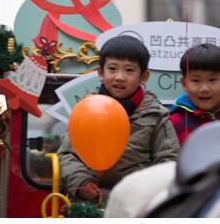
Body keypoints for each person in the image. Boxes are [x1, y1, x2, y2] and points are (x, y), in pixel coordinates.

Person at [58, 35, 179, 202]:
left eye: (129, 70)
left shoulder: (156, 114)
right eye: (112, 69)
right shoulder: (86, 110)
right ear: (101, 73)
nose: (120, 77)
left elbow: (169, 159)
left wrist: (144, 189)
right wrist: (82, 183)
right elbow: (66, 155)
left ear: (143, 77)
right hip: (88, 202)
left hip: (136, 202)